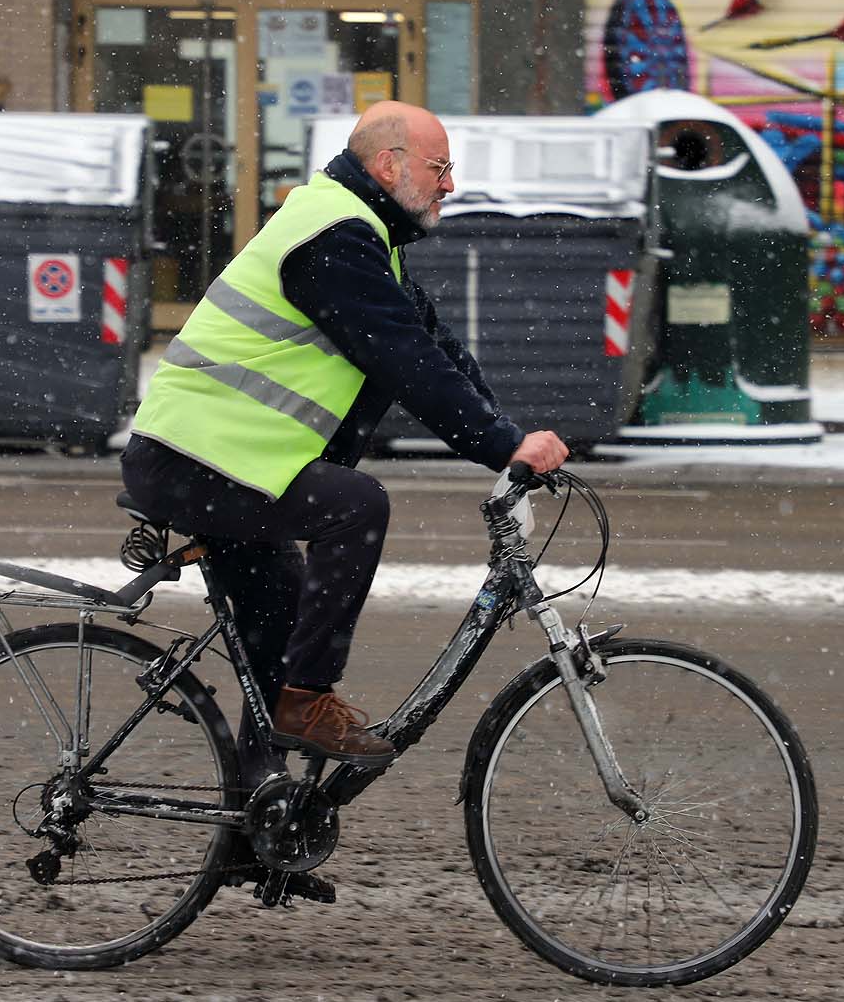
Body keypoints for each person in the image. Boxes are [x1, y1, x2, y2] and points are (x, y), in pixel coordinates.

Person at [121, 101, 568, 772]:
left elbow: (433, 347)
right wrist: (501, 444)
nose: (450, 184)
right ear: (389, 166)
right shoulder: (333, 236)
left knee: (281, 618)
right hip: (194, 460)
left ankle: (256, 822)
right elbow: (404, 361)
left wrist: (512, 438)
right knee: (356, 505)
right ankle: (308, 702)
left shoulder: (366, 234)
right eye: (439, 168)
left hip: (234, 462)